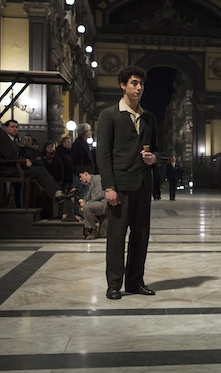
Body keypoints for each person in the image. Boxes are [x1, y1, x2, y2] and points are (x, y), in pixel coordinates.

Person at [96, 65, 160, 300]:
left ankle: (135, 282)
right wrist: (109, 187)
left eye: (141, 84)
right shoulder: (109, 115)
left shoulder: (149, 117)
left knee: (140, 236)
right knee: (116, 237)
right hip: (120, 186)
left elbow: (157, 150)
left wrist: (154, 159)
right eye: (134, 83)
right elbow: (103, 154)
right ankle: (114, 284)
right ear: (123, 85)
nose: (139, 87)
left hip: (143, 184)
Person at [0, 120, 74, 207]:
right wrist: (24, 161)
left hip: (17, 167)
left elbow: (19, 154)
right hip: (10, 169)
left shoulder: (12, 140)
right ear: (6, 128)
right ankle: (57, 193)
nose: (15, 129)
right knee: (40, 171)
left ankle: (57, 192)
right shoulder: (3, 140)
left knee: (41, 164)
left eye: (16, 127)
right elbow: (9, 157)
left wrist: (27, 160)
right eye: (12, 127)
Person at [77, 165, 107, 240]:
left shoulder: (97, 178)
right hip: (96, 203)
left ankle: (92, 230)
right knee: (82, 208)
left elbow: (99, 195)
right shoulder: (88, 184)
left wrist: (86, 203)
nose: (80, 179)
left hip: (103, 203)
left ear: (86, 174)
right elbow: (87, 197)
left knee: (86, 207)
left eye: (81, 176)